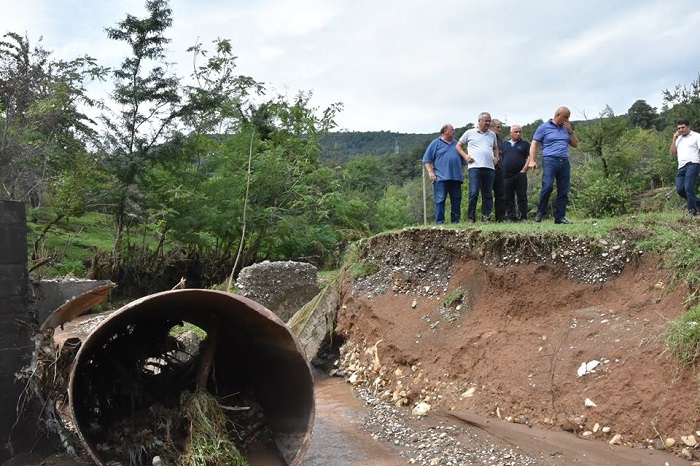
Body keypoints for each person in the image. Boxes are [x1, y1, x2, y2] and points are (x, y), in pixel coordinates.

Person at [527, 106, 578, 224]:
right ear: (557, 115)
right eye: (565, 118)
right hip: (550, 160)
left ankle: (559, 217)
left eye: (568, 118)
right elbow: (534, 143)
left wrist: (570, 131)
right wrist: (532, 160)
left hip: (564, 161)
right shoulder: (544, 127)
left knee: (563, 190)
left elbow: (575, 144)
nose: (567, 121)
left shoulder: (567, 128)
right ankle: (540, 212)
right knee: (548, 186)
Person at [457, 112, 498, 223]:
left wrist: (496, 157)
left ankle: (486, 218)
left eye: (489, 121)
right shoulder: (469, 133)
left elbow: (495, 147)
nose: (488, 123)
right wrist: (466, 156)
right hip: (475, 167)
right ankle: (471, 218)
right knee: (474, 193)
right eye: (486, 121)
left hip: (489, 168)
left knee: (488, 194)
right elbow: (458, 145)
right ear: (479, 121)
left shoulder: (492, 134)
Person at [422, 123, 467, 224]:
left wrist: (462, 172)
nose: (454, 131)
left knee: (456, 201)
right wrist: (431, 172)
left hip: (456, 178)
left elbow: (463, 161)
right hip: (441, 178)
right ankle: (440, 223)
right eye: (452, 130)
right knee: (440, 200)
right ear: (445, 131)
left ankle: (455, 223)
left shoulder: (457, 144)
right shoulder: (435, 143)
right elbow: (426, 160)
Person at [670, 118, 700, 216]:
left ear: (688, 127)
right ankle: (698, 204)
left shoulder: (696, 136)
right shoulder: (678, 139)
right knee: (680, 190)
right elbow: (672, 153)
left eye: (683, 127)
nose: (681, 130)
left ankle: (692, 213)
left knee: (688, 188)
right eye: (679, 128)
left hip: (693, 164)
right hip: (681, 167)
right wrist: (674, 139)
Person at [502, 125, 531, 221]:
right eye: (516, 132)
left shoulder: (525, 144)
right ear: (511, 133)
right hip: (506, 174)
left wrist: (524, 170)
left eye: (519, 132)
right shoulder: (504, 144)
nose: (518, 133)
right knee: (508, 197)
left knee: (522, 196)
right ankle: (511, 217)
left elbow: (529, 157)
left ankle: (523, 216)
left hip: (520, 173)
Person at [491, 119, 506, 222]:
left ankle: (500, 218)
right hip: (488, 169)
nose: (500, 129)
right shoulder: (486, 138)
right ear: (491, 127)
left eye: (500, 126)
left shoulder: (500, 140)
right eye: (498, 127)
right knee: (487, 195)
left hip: (500, 169)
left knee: (501, 195)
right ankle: (486, 218)